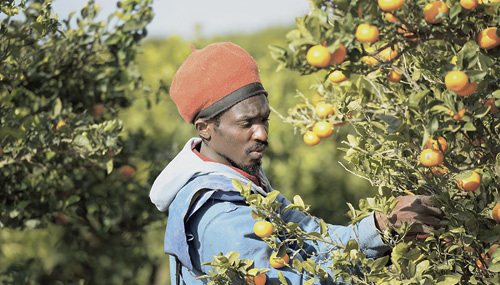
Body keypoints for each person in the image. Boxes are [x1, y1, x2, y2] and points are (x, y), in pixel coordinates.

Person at [150, 42, 442, 284]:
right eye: (246, 124)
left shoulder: (238, 179)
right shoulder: (220, 214)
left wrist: (382, 226)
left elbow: (312, 236)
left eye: (264, 119)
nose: (262, 134)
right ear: (205, 128)